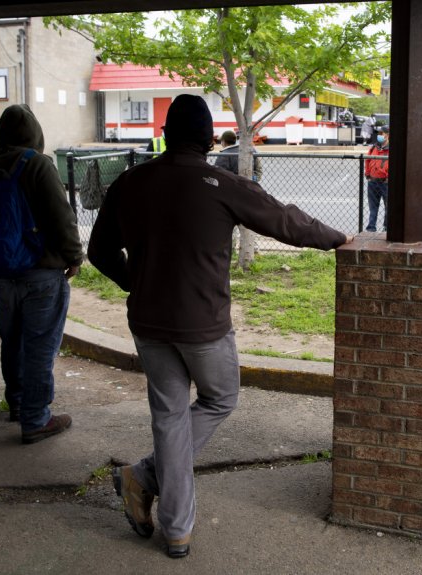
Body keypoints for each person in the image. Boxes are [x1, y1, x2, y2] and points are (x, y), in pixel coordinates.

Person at [87, 94, 350, 559]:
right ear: (210, 139)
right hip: (202, 324)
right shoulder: (221, 182)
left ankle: (174, 526)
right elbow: (285, 220)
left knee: (169, 417)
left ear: (165, 135)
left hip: (148, 322)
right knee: (220, 398)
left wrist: (137, 283)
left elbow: (99, 252)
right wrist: (337, 238)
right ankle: (147, 482)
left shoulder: (130, 182)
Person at [0, 104, 83, 445]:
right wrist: (74, 256)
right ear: (35, 134)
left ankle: (20, 405)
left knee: (13, 340)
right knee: (39, 345)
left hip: (3, 274)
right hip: (42, 273)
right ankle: (37, 420)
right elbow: (61, 216)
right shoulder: (38, 165)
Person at [364, 125, 389, 232]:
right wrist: (368, 174)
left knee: (388, 206)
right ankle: (371, 228)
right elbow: (368, 160)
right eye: (378, 133)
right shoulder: (374, 147)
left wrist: (388, 177)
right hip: (373, 181)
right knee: (373, 207)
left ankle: (387, 227)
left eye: (381, 133)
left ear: (388, 135)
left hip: (385, 183)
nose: (379, 136)